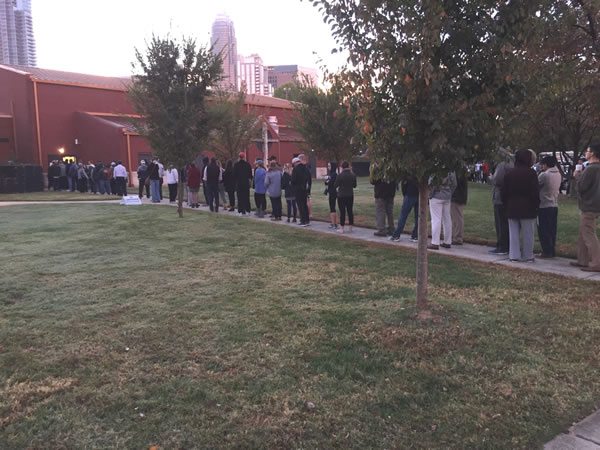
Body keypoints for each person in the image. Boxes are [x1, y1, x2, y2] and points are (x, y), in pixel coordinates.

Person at [502, 149, 540, 262]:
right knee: (528, 233)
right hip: (528, 207)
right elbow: (535, 192)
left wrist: (506, 204)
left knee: (513, 233)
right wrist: (536, 205)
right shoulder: (531, 173)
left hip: (512, 206)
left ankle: (514, 255)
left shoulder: (509, 173)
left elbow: (504, 192)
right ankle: (528, 255)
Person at [571, 145, 600, 272]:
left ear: (592, 153)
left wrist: (577, 176)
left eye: (587, 151)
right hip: (596, 204)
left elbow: (581, 187)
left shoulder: (591, 169)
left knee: (588, 234)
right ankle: (583, 259)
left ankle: (596, 262)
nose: (586, 153)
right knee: (583, 233)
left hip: (589, 205)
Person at [489, 150, 514, 255]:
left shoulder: (501, 165)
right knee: (505, 223)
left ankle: (502, 246)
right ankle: (506, 245)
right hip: (508, 197)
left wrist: (491, 178)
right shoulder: (512, 164)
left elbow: (497, 179)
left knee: (500, 223)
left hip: (499, 197)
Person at [537, 155, 562, 258]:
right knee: (552, 229)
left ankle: (546, 251)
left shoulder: (545, 175)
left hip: (544, 205)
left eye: (543, 164)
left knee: (543, 229)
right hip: (554, 204)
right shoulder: (558, 174)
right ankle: (551, 250)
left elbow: (536, 184)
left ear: (546, 164)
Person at [428, 172, 457, 250]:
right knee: (447, 219)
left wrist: (430, 194)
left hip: (436, 196)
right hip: (447, 196)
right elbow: (454, 183)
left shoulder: (435, 167)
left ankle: (435, 242)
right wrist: (449, 193)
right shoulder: (451, 169)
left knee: (436, 220)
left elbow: (431, 182)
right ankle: (447, 241)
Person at [371, 170, 396, 237]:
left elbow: (373, 181)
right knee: (390, 212)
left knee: (380, 212)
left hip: (380, 192)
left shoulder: (378, 168)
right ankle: (391, 228)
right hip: (391, 192)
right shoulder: (392, 168)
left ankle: (381, 230)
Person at [334, 160, 357, 233]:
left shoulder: (340, 175)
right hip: (350, 195)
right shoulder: (353, 175)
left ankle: (342, 228)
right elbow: (354, 185)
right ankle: (350, 228)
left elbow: (335, 185)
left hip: (341, 195)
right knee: (350, 211)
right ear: (348, 166)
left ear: (342, 167)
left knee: (342, 212)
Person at [291, 155, 312, 226]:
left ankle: (303, 221)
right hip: (305, 189)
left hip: (298, 189)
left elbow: (293, 180)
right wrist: (308, 189)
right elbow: (309, 179)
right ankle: (307, 220)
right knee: (305, 204)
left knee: (300, 205)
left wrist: (292, 183)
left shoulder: (296, 169)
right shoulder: (306, 168)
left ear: (295, 163)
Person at [451, 169, 468, 245]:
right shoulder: (461, 171)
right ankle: (456, 236)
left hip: (457, 197)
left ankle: (458, 237)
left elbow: (455, 183)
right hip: (459, 196)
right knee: (456, 218)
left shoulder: (459, 172)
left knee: (457, 218)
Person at [325, 161, 338, 229]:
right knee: (332, 207)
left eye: (329, 166)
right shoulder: (331, 174)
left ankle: (334, 223)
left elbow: (329, 183)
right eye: (328, 166)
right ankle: (334, 223)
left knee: (332, 207)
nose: (328, 167)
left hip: (333, 192)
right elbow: (327, 182)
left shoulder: (334, 174)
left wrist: (327, 182)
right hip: (331, 191)